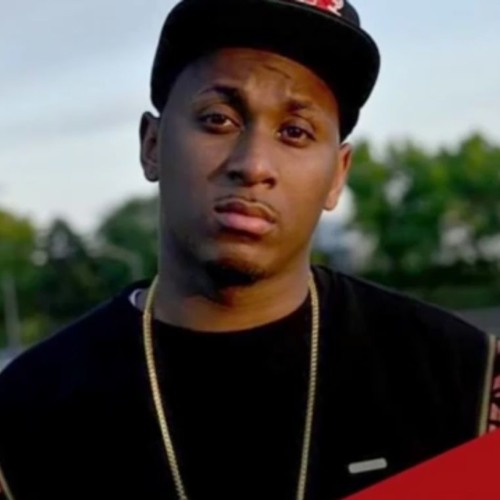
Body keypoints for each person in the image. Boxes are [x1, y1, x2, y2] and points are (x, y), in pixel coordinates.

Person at [0, 0, 498, 499]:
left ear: (337, 174)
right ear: (151, 145)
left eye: (295, 132)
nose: (254, 164)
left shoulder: (468, 385)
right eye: (218, 119)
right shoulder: (23, 417)